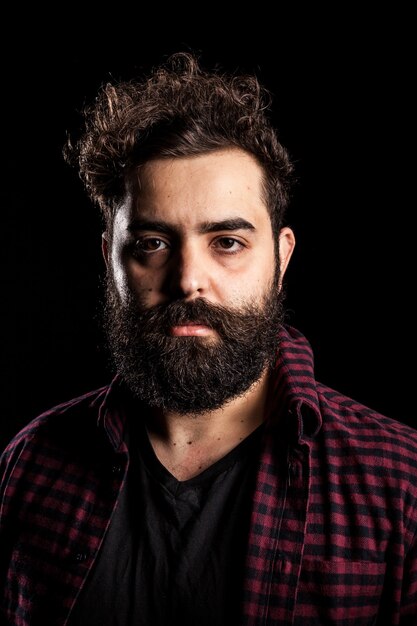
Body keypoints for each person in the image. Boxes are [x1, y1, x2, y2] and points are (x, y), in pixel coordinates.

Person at [0, 51, 416, 626]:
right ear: (109, 259)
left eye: (227, 242)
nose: (188, 279)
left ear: (281, 257)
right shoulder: (29, 467)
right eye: (151, 243)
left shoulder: (399, 485)